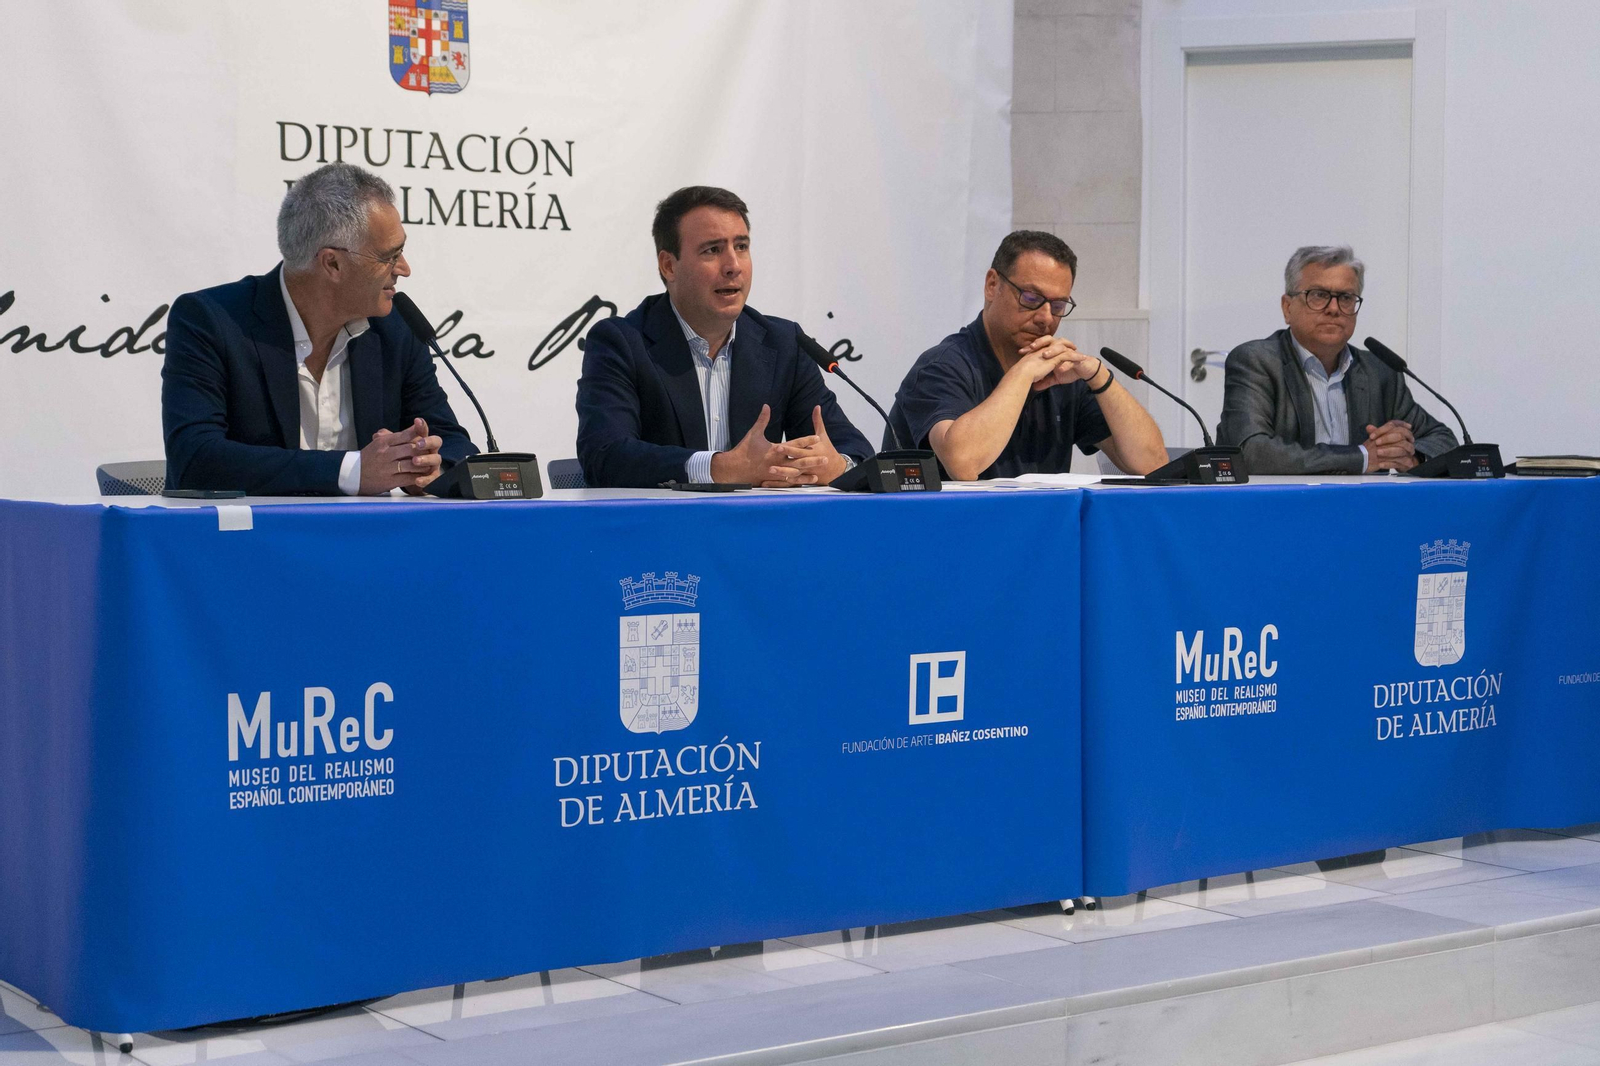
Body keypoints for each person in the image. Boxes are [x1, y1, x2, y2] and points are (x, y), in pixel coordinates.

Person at [162, 162, 478, 495]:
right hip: (249, 541)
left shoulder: (395, 329)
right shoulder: (211, 320)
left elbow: (454, 444)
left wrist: (429, 466)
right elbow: (195, 460)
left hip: (370, 541)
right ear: (332, 263)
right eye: (389, 256)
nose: (404, 269)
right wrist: (352, 471)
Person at [576, 186, 873, 488]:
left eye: (741, 247)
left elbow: (857, 452)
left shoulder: (783, 344)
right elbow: (604, 456)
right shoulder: (622, 343)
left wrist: (834, 465)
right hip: (665, 530)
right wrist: (719, 467)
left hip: (760, 530)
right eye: (712, 250)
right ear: (669, 266)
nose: (733, 266)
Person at [884, 230, 1166, 480]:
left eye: (1058, 305)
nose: (1046, 318)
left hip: (1036, 532)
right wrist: (1023, 373)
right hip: (950, 532)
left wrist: (1099, 377)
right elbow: (963, 464)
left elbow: (1152, 464)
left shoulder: (1064, 376)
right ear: (992, 285)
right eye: (1031, 299)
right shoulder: (942, 367)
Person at [1217, 245, 1457, 474]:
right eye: (1319, 295)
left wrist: (1410, 456)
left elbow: (1444, 441)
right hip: (1279, 507)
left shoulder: (1379, 370)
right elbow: (1250, 451)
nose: (1334, 309)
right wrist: (1362, 457)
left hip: (1361, 508)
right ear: (1287, 307)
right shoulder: (1256, 361)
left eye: (1345, 298)